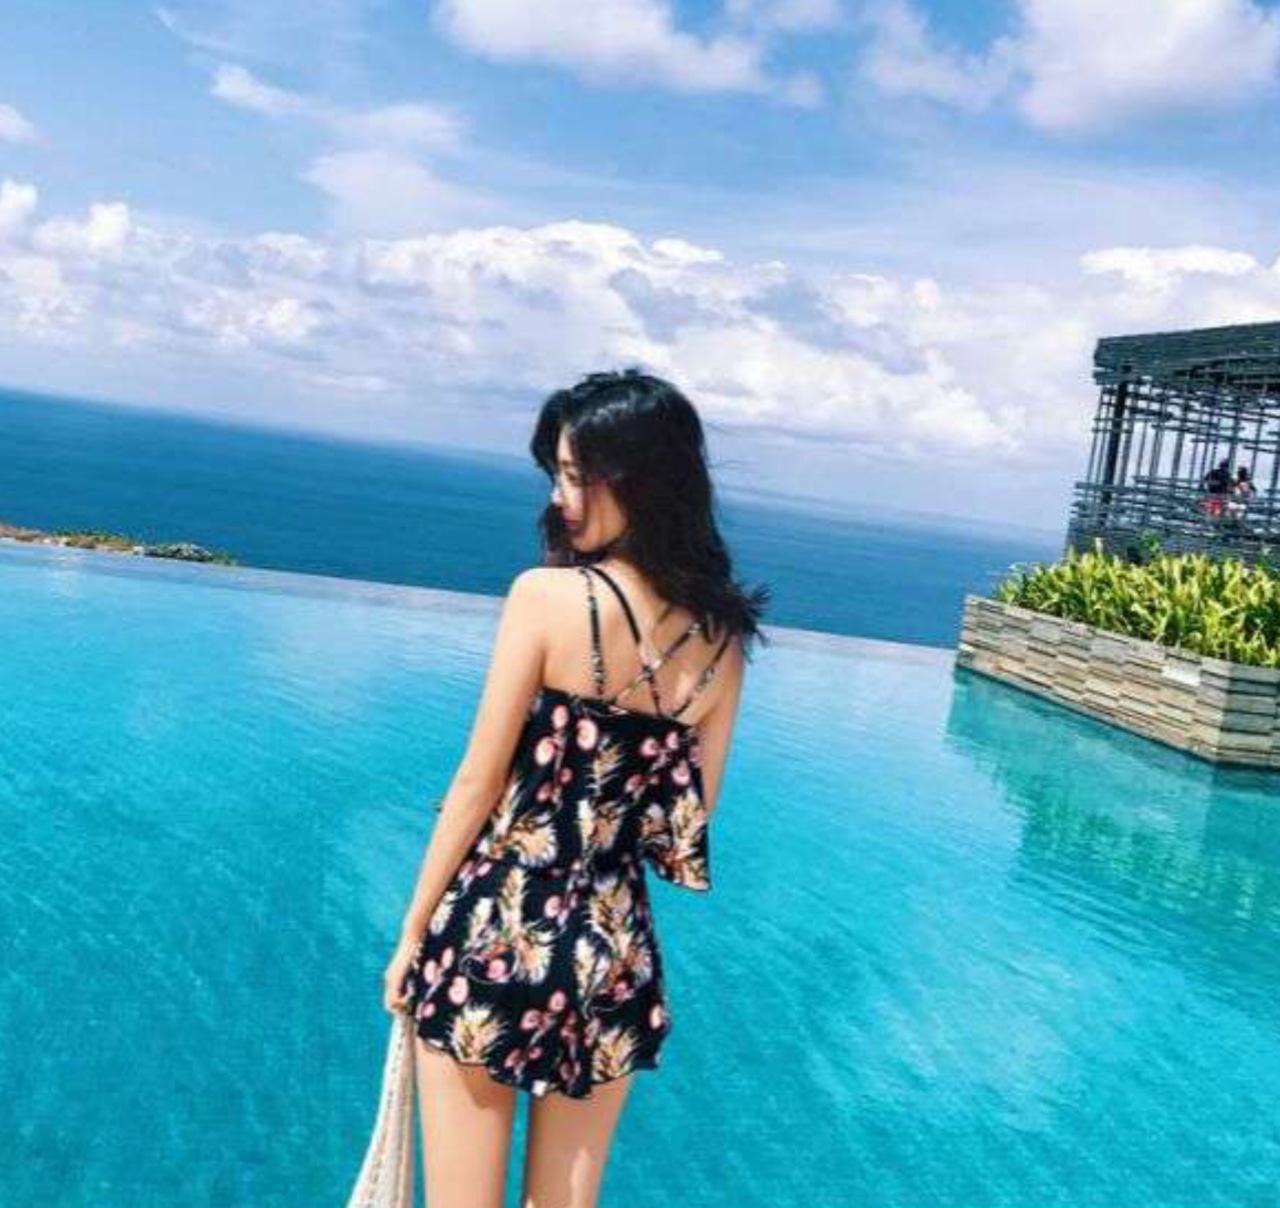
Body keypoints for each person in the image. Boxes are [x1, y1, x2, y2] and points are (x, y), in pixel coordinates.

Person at [381, 369, 769, 1208]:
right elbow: (691, 815)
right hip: (614, 949)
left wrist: (412, 933)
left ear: (635, 479)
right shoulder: (724, 641)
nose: (559, 497)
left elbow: (477, 781)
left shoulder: (545, 597)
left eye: (572, 475)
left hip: (497, 926)